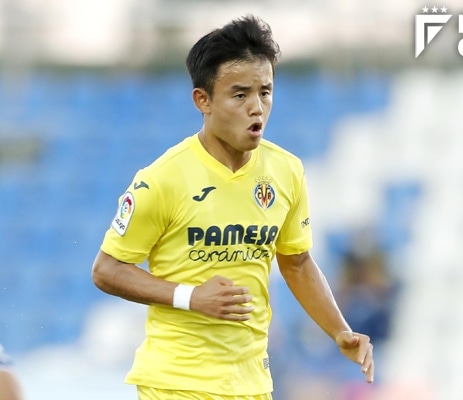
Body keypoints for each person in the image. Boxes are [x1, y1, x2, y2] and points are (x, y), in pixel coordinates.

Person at [91, 14, 374, 400]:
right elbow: (107, 270)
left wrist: (339, 330)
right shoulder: (163, 179)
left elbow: (296, 262)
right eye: (240, 95)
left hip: (252, 383)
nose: (257, 107)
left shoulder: (286, 171)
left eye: (265, 92)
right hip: (176, 383)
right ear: (203, 100)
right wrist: (190, 297)